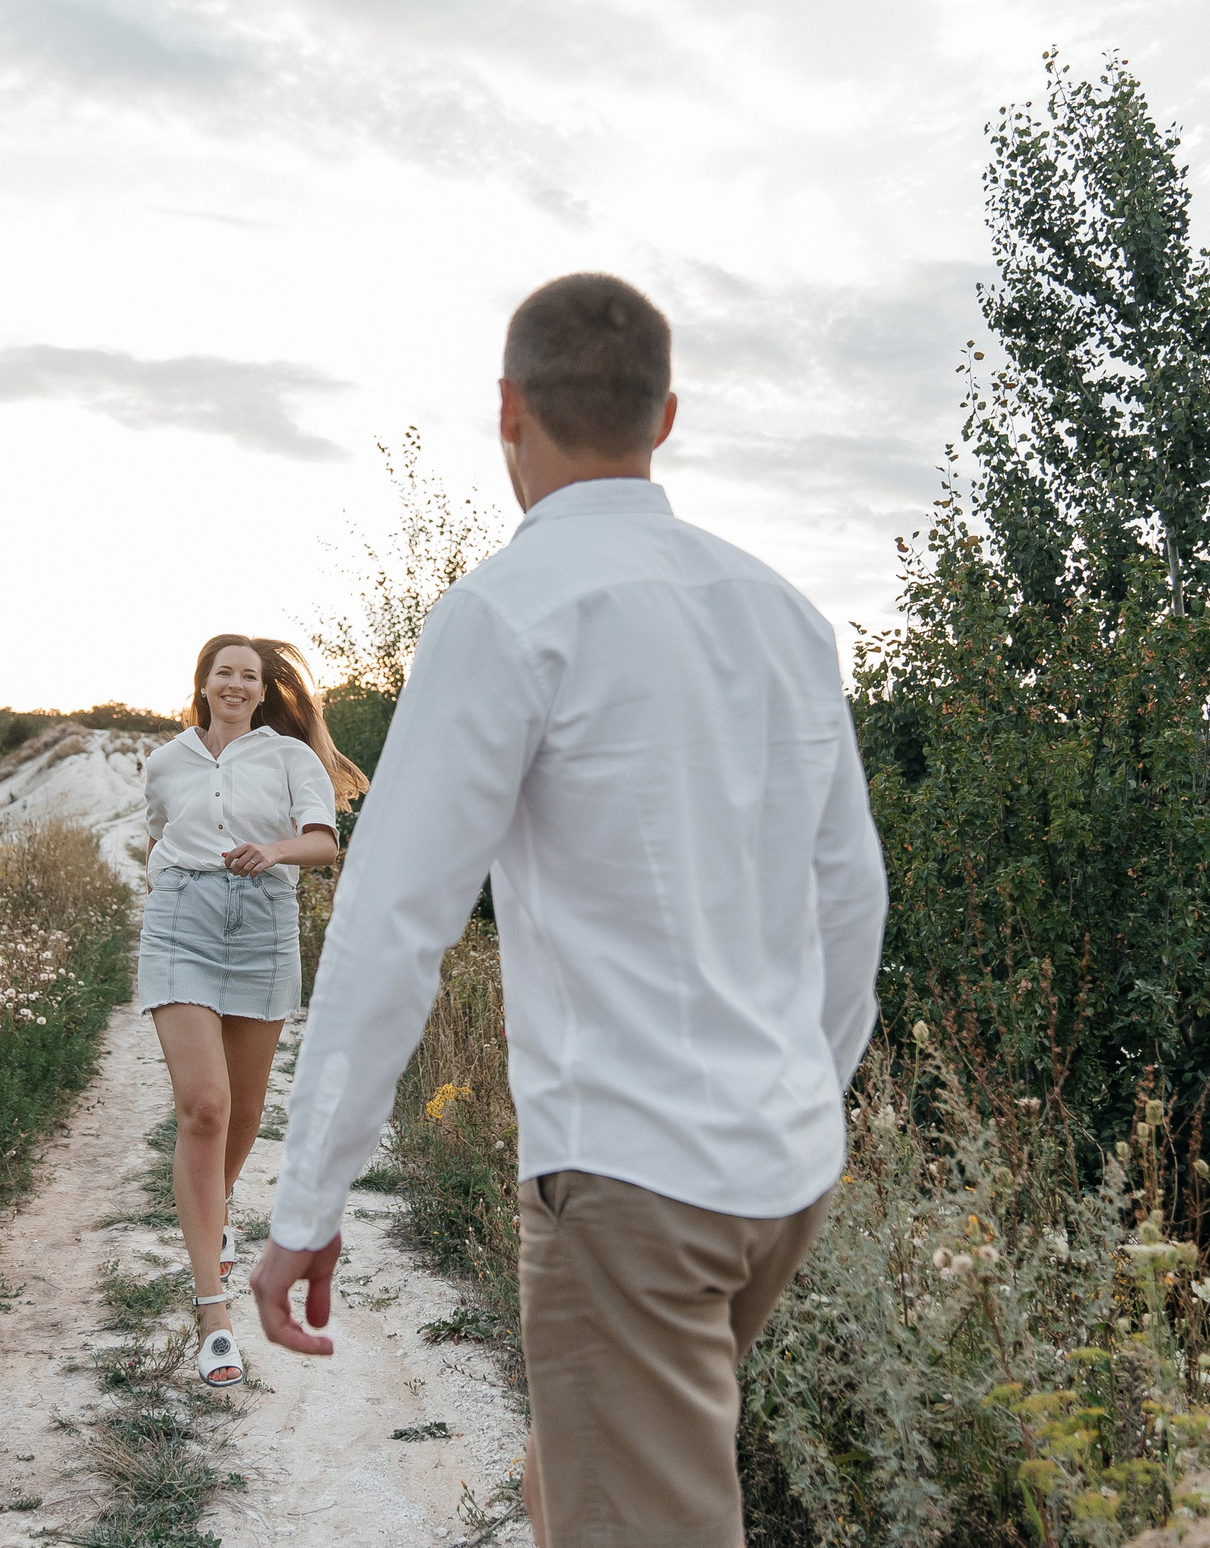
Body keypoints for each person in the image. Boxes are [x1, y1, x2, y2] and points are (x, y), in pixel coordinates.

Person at [248, 274, 887, 1545]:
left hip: (635, 1179)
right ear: (664, 418)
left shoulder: (507, 613)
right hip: (781, 1168)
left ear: (506, 411)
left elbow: (391, 923)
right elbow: (849, 895)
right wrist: (802, 1091)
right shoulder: (783, 614)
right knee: (580, 1469)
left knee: (629, 1508)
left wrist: (307, 1206)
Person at [140, 635, 367, 1387]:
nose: (235, 683)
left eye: (249, 674)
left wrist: (271, 850)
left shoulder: (290, 758)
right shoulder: (167, 760)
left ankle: (215, 1207)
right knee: (203, 1106)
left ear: (263, 689)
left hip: (262, 924)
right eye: (222, 672)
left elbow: (323, 843)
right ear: (202, 683)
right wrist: (177, 882)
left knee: (241, 1112)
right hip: (182, 920)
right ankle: (214, 1312)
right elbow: (158, 831)